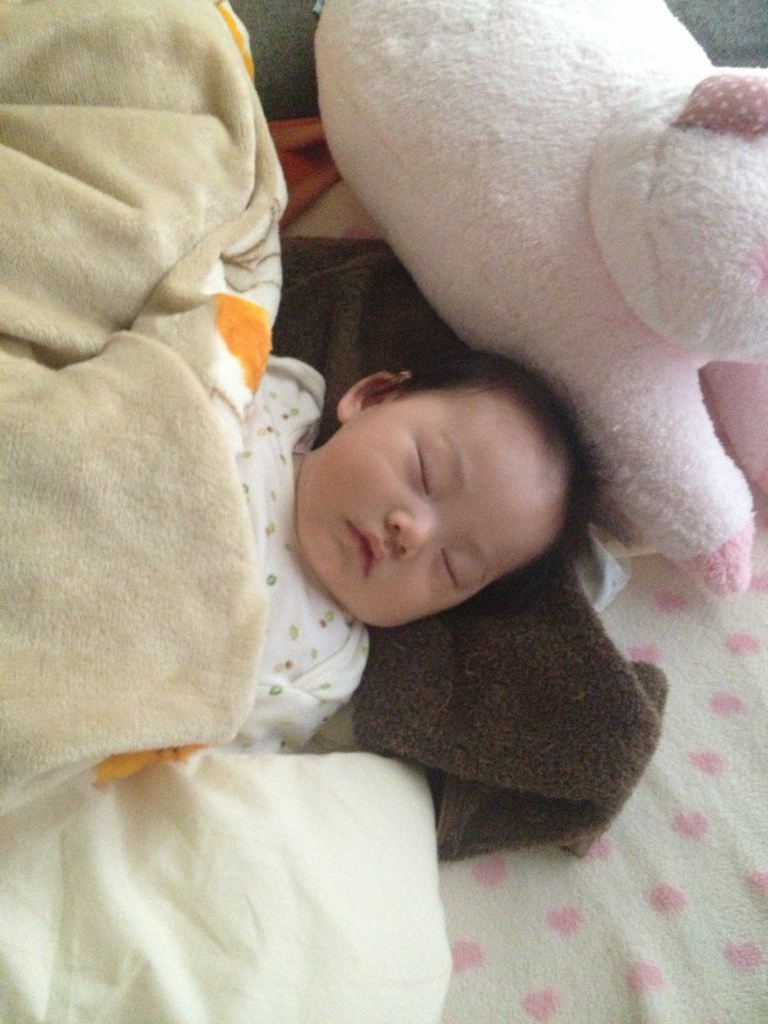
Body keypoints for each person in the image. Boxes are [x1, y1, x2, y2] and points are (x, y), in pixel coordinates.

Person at [234, 347, 599, 752]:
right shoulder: (271, 400)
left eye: (452, 566)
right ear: (373, 398)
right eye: (426, 474)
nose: (414, 535)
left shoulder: (325, 665)